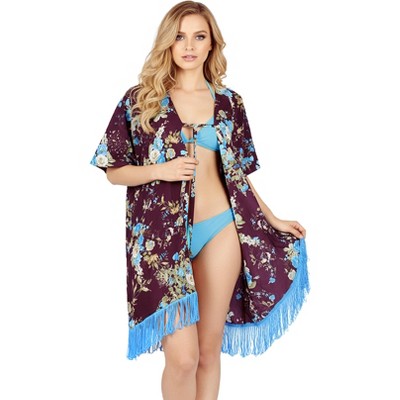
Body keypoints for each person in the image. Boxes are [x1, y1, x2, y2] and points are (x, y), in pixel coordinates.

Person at [90, 1, 309, 399]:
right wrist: (161, 170)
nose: (188, 46)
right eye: (179, 37)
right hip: (159, 242)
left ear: (212, 44)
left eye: (199, 36)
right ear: (167, 43)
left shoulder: (230, 103)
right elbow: (113, 170)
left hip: (221, 228)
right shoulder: (141, 100)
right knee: (182, 359)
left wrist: (273, 219)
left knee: (207, 353)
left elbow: (239, 174)